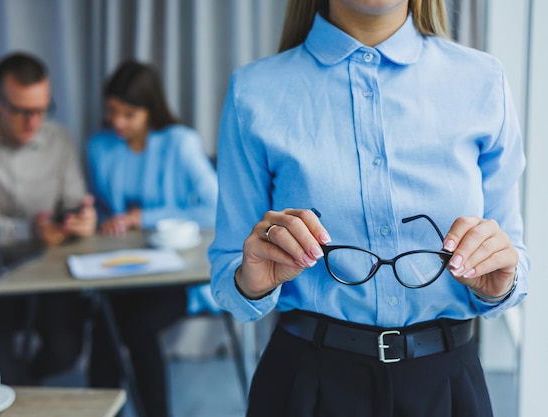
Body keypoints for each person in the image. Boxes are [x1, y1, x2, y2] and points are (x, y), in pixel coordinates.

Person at [208, 1, 529, 416]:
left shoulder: (483, 80)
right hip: (307, 385)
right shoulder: (252, 92)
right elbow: (227, 278)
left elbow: (513, 259)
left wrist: (501, 281)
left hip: (449, 386)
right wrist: (252, 281)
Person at [0, 52, 96, 385]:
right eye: (21, 111)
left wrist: (81, 219)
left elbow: (74, 202)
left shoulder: (60, 139)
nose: (33, 122)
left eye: (42, 110)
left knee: (67, 348)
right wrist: (30, 229)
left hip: (48, 272)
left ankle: (24, 388)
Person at [86, 60, 218, 417]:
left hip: (177, 275)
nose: (118, 122)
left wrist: (144, 218)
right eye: (112, 111)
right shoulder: (100, 147)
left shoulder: (180, 143)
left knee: (136, 328)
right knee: (104, 326)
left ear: (150, 109)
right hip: (122, 269)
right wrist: (97, 219)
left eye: (129, 114)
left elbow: (217, 207)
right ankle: (102, 412)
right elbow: (99, 208)